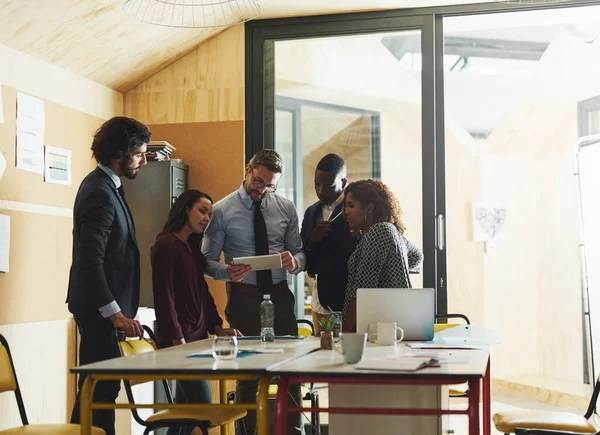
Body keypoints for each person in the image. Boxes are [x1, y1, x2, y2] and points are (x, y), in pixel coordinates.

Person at [202, 149, 306, 435]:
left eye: (271, 185)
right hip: (244, 298)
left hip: (280, 295)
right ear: (248, 169)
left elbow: (300, 252)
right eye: (259, 181)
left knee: (291, 372)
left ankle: (292, 432)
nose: (263, 190)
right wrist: (226, 271)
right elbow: (206, 261)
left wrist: (294, 261)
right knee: (248, 375)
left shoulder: (285, 208)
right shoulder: (222, 210)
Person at [67, 116, 150, 435]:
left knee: (99, 393)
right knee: (97, 394)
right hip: (99, 311)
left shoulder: (108, 186)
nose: (143, 160)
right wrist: (114, 314)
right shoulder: (99, 191)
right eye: (139, 152)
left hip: (104, 310)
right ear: (120, 152)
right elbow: (90, 261)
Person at [151, 189, 242, 435]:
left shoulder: (191, 248)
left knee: (186, 414)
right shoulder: (166, 244)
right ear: (185, 210)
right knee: (202, 410)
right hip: (180, 340)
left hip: (196, 337)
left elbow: (203, 293)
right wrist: (177, 339)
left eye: (209, 215)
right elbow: (164, 296)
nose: (206, 219)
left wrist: (216, 327)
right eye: (202, 211)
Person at [341, 179, 424, 332]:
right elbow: (417, 256)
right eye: (345, 206)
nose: (345, 211)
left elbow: (361, 291)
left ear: (369, 208)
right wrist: (393, 267)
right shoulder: (389, 230)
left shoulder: (378, 232)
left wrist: (345, 334)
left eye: (351, 205)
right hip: (385, 327)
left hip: (378, 329)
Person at [300, 154, 358, 334]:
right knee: (321, 356)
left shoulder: (356, 210)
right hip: (319, 301)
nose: (321, 191)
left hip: (349, 301)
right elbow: (304, 255)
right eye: (317, 184)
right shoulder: (311, 212)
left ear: (343, 182)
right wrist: (312, 241)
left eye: (328, 186)